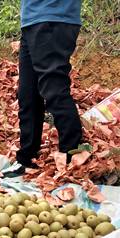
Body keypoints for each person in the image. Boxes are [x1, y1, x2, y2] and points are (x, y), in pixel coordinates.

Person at [5, 0, 83, 177]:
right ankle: (26, 159)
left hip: (52, 17)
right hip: (32, 20)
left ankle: (73, 159)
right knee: (28, 94)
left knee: (54, 89)